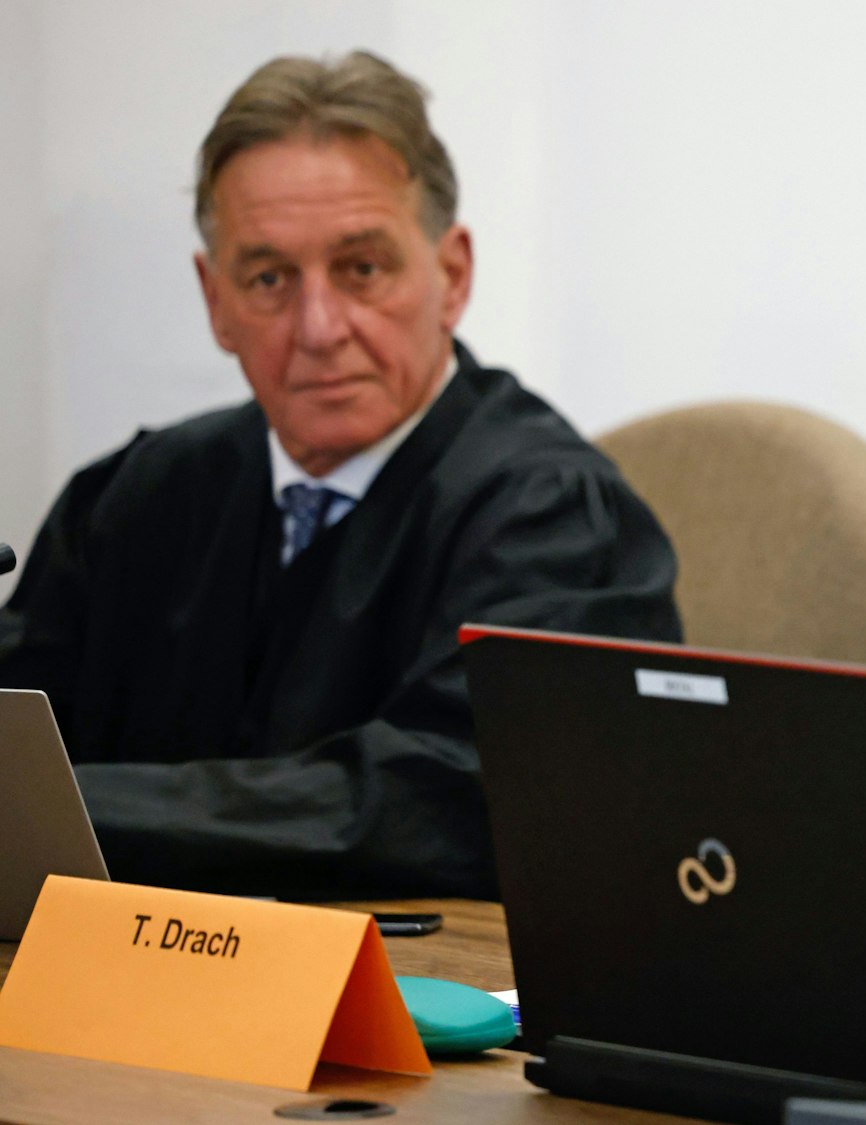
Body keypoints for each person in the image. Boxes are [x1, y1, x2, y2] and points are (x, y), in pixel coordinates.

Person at [0, 52, 682, 900]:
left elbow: (445, 798)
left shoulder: (551, 518)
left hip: (421, 1007)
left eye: (362, 269)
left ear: (453, 276)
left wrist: (79, 811)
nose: (320, 327)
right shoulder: (140, 496)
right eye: (269, 279)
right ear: (216, 301)